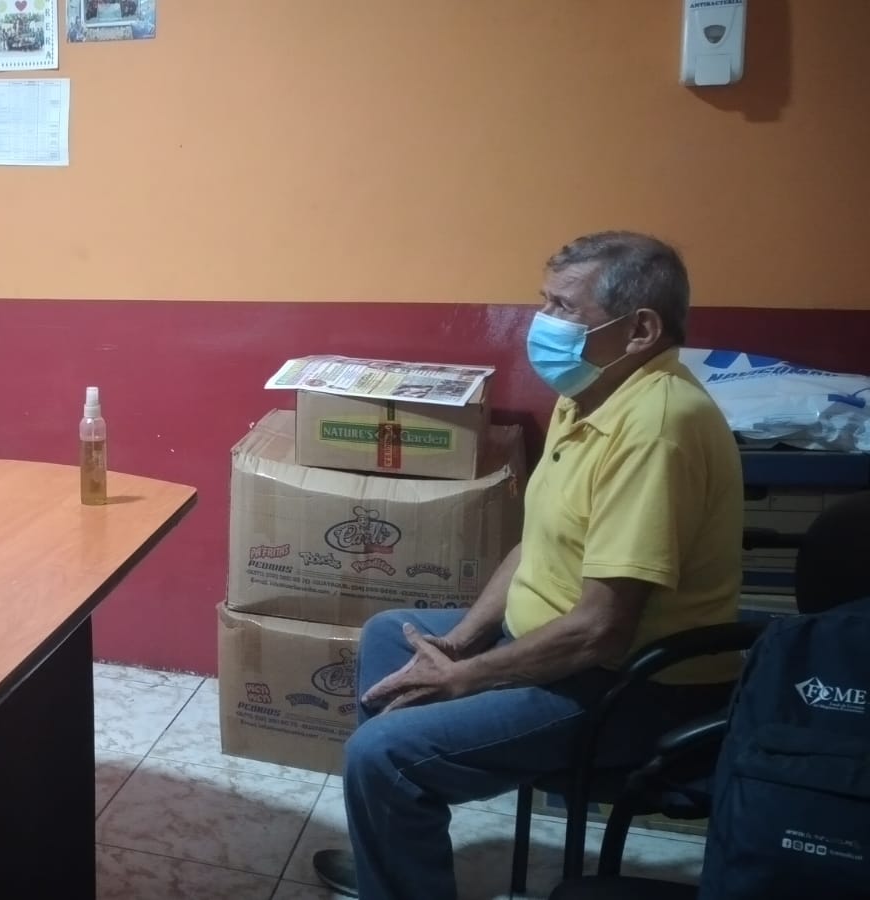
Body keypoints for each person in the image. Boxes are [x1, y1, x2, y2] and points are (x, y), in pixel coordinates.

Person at [311, 231, 743, 898]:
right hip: (564, 648)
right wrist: (458, 644)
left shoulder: (656, 428)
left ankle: (394, 847)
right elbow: (535, 546)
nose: (542, 322)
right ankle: (392, 860)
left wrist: (466, 679)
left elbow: (602, 631)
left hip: (632, 687)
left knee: (383, 755)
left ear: (640, 330)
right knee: (390, 634)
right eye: (546, 301)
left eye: (564, 307)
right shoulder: (593, 392)